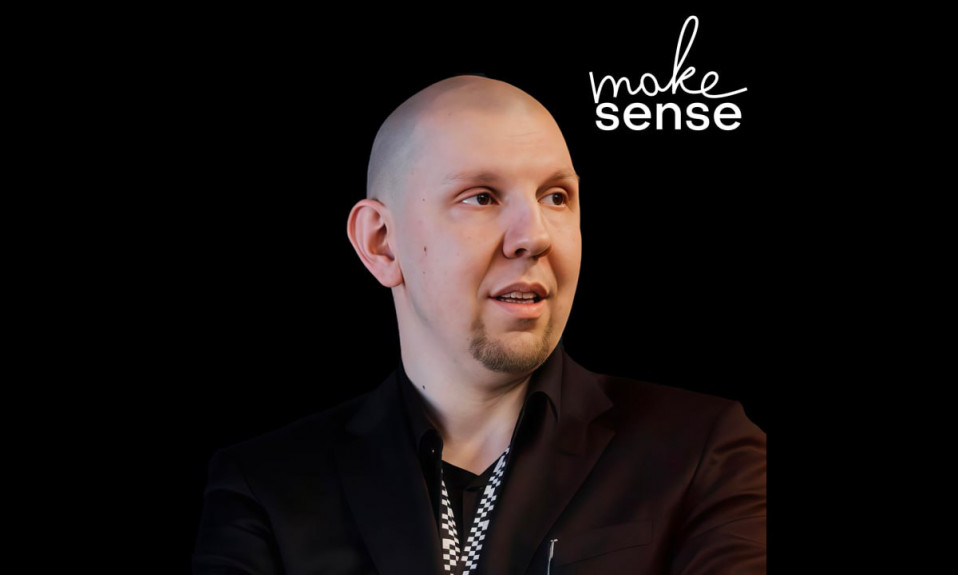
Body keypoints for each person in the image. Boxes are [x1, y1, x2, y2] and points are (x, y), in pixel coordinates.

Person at [193, 75, 766, 575]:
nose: (535, 235)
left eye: (556, 196)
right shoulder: (265, 486)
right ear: (381, 243)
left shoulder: (703, 450)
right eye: (482, 197)